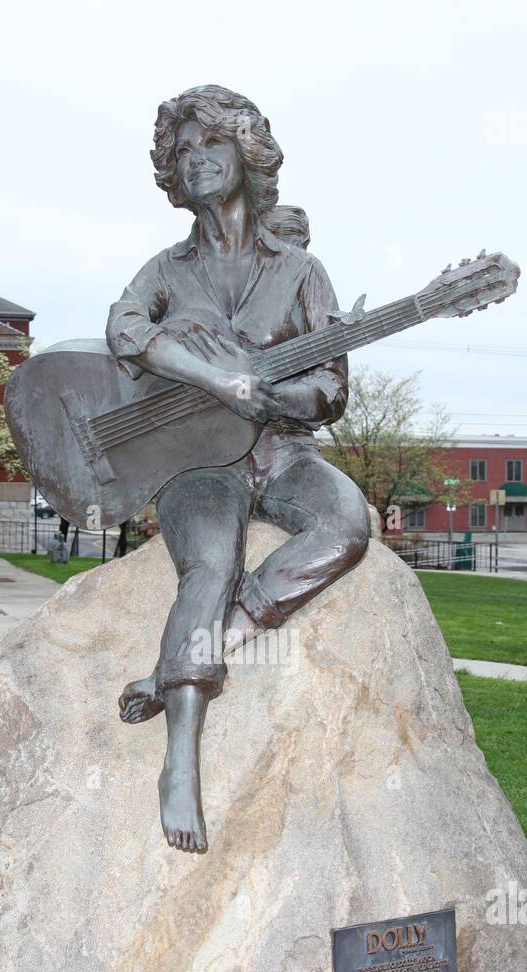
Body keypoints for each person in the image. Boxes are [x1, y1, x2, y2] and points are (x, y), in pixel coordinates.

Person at [106, 85, 369, 854]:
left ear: (246, 157)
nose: (194, 161)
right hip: (196, 462)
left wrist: (269, 392)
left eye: (210, 146)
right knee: (209, 558)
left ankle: (211, 642)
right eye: (181, 153)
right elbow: (124, 328)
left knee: (347, 522)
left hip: (285, 451)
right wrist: (217, 379)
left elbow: (330, 391)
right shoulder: (166, 269)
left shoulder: (302, 272)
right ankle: (179, 759)